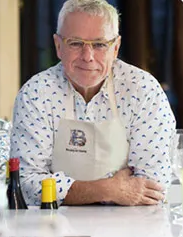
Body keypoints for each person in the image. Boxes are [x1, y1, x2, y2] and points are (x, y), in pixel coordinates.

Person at [10, 0, 176, 206]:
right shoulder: (36, 93)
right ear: (58, 46)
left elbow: (153, 187)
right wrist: (109, 189)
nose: (87, 57)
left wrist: (63, 189)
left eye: (99, 44)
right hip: (54, 227)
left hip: (132, 227)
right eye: (76, 43)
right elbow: (26, 184)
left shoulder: (143, 90)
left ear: (115, 48)